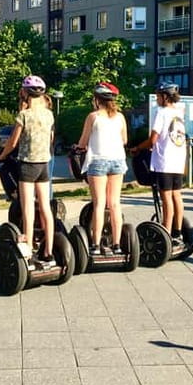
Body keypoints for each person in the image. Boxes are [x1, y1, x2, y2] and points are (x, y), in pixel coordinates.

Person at [0, 76, 55, 261]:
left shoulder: (23, 115)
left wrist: (2, 155)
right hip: (44, 163)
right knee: (45, 207)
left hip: (27, 164)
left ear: (25, 92)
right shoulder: (48, 114)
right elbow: (51, 139)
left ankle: (28, 248)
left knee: (28, 207)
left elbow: (13, 141)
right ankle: (48, 251)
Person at [76, 82, 128, 255]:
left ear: (97, 99)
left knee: (99, 204)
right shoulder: (120, 117)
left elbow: (83, 142)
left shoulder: (93, 117)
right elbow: (125, 140)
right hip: (117, 161)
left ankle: (96, 245)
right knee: (114, 203)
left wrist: (78, 147)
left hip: (98, 161)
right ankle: (117, 244)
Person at [130, 82, 187, 237]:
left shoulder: (161, 112)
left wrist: (138, 148)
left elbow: (153, 139)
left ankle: (166, 232)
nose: (156, 99)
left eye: (158, 96)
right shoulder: (179, 112)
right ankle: (178, 231)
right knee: (177, 195)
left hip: (164, 161)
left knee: (166, 196)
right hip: (178, 160)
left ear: (165, 96)